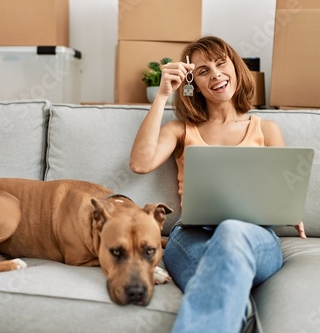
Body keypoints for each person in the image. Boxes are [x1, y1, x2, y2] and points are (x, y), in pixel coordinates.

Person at [130, 36, 307, 333]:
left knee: (231, 230)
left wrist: (289, 207)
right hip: (191, 236)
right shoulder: (180, 129)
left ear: (236, 68)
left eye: (221, 63)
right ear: (193, 84)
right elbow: (140, 163)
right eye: (202, 71)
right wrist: (161, 96)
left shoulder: (266, 129)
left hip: (253, 236)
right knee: (222, 277)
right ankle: (239, 311)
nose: (215, 74)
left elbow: (284, 185)